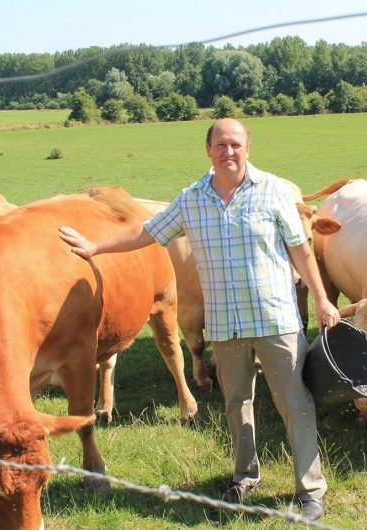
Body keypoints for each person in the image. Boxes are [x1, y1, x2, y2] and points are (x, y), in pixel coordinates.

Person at [58, 118, 340, 522]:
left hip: (275, 318)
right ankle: (245, 476)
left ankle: (311, 489)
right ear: (208, 150)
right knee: (236, 404)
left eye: (236, 144)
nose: (229, 152)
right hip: (225, 326)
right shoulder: (191, 199)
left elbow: (301, 251)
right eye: (221, 145)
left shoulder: (274, 192)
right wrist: (96, 246)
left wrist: (322, 299)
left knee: (295, 404)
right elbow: (146, 233)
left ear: (248, 148)